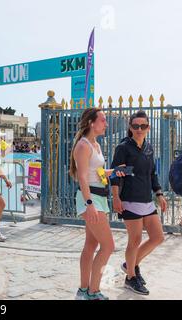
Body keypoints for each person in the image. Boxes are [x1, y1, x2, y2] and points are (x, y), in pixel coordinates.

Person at [110, 110, 166, 296]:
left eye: (143, 126)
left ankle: (130, 265)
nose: (139, 129)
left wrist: (159, 194)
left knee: (158, 237)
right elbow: (115, 174)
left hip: (146, 200)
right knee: (134, 240)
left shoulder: (149, 147)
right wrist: (116, 197)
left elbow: (152, 174)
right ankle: (131, 278)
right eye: (136, 126)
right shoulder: (123, 147)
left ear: (148, 127)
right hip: (129, 200)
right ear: (130, 127)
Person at [70, 108, 116, 300]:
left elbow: (94, 173)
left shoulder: (95, 145)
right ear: (91, 123)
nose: (106, 124)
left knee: (91, 245)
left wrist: (113, 171)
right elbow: (81, 177)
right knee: (108, 246)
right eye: (103, 120)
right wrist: (89, 204)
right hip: (91, 199)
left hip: (99, 198)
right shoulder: (83, 146)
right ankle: (93, 291)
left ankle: (83, 290)